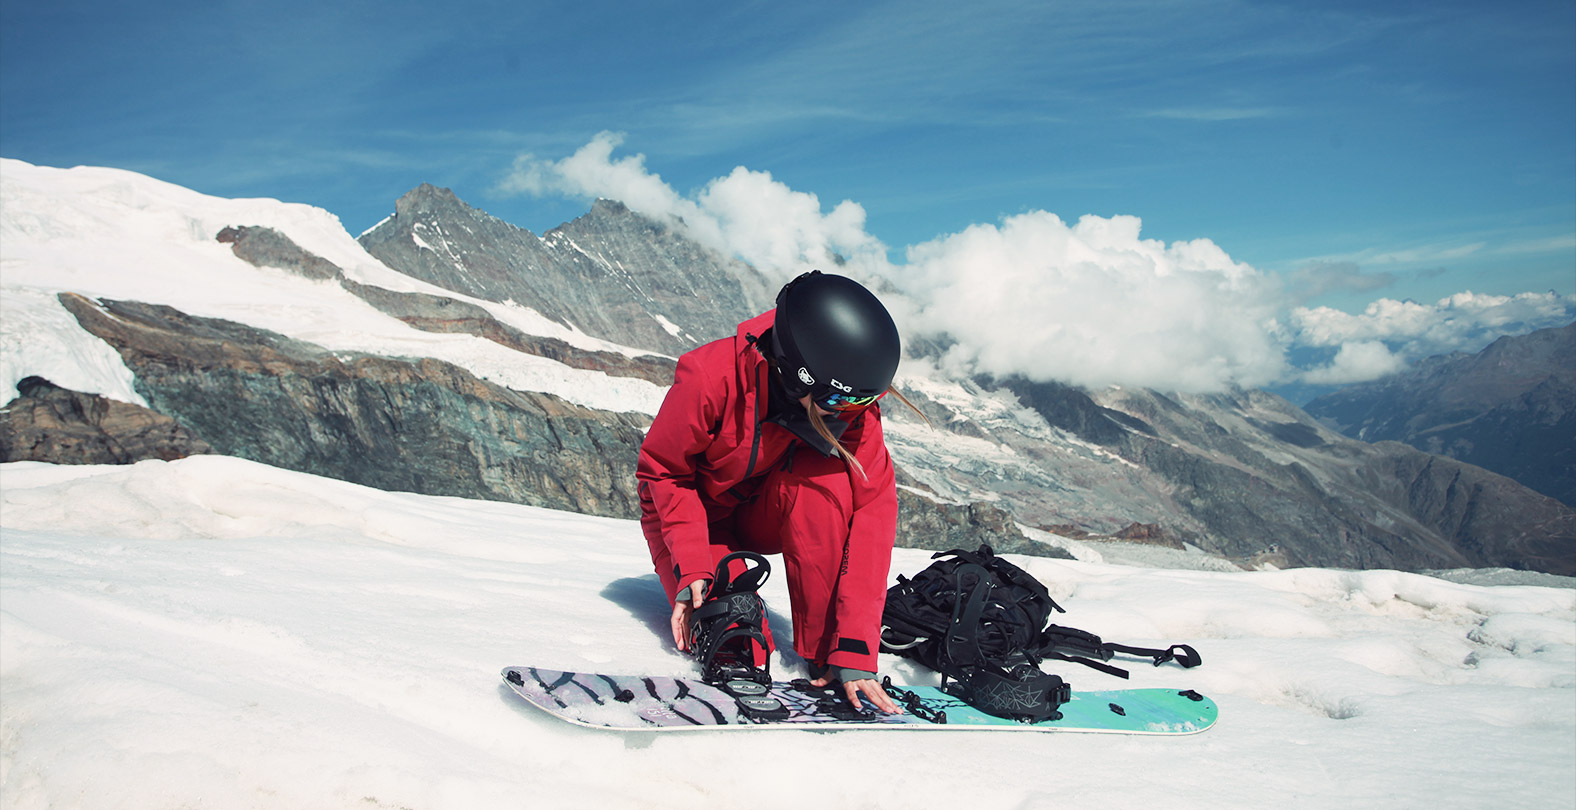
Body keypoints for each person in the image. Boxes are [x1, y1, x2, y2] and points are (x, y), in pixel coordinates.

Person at [637, 270, 918, 714]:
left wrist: (854, 650)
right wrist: (691, 566)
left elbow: (872, 515)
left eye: (862, 402)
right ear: (797, 375)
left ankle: (826, 652)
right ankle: (731, 627)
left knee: (827, 488)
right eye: (841, 402)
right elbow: (664, 473)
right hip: (694, 520)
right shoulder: (711, 377)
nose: (854, 414)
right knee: (732, 627)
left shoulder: (848, 406)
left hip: (761, 511)